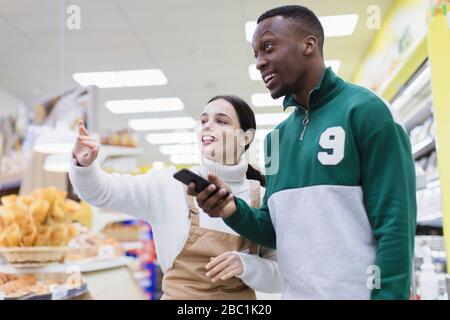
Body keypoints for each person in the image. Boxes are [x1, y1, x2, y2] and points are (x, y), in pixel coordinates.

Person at [188, 5, 416, 300]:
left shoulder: (367, 113)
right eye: (255, 54)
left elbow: (395, 225)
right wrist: (230, 210)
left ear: (309, 44)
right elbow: (275, 231)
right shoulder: (276, 140)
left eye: (267, 47)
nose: (259, 62)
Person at [69, 95, 282, 300]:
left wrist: (247, 266)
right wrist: (84, 166)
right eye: (204, 120)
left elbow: (282, 275)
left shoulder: (263, 197)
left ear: (246, 138)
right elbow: (102, 191)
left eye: (221, 121)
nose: (207, 125)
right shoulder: (168, 186)